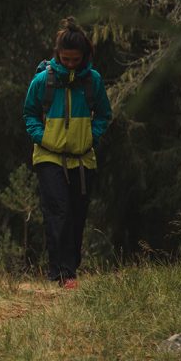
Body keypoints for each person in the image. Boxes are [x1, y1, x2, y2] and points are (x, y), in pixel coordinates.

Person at [22, 16, 113, 289]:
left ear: (84, 56)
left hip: (83, 158)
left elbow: (104, 115)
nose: (70, 64)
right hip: (49, 157)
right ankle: (60, 273)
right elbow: (29, 114)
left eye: (75, 60)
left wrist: (91, 138)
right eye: (65, 59)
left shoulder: (92, 81)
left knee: (77, 213)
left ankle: (70, 268)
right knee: (57, 211)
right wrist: (44, 138)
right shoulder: (43, 81)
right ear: (58, 55)